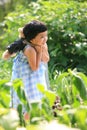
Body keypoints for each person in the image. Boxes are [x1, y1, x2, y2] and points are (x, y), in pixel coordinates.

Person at [2, 20, 50, 118]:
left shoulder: (43, 44)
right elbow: (34, 67)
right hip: (26, 77)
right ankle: (23, 120)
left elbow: (46, 59)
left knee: (39, 97)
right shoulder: (29, 49)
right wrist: (39, 51)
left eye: (46, 36)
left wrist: (43, 49)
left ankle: (34, 120)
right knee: (27, 100)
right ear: (32, 39)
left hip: (36, 76)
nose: (45, 39)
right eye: (41, 37)